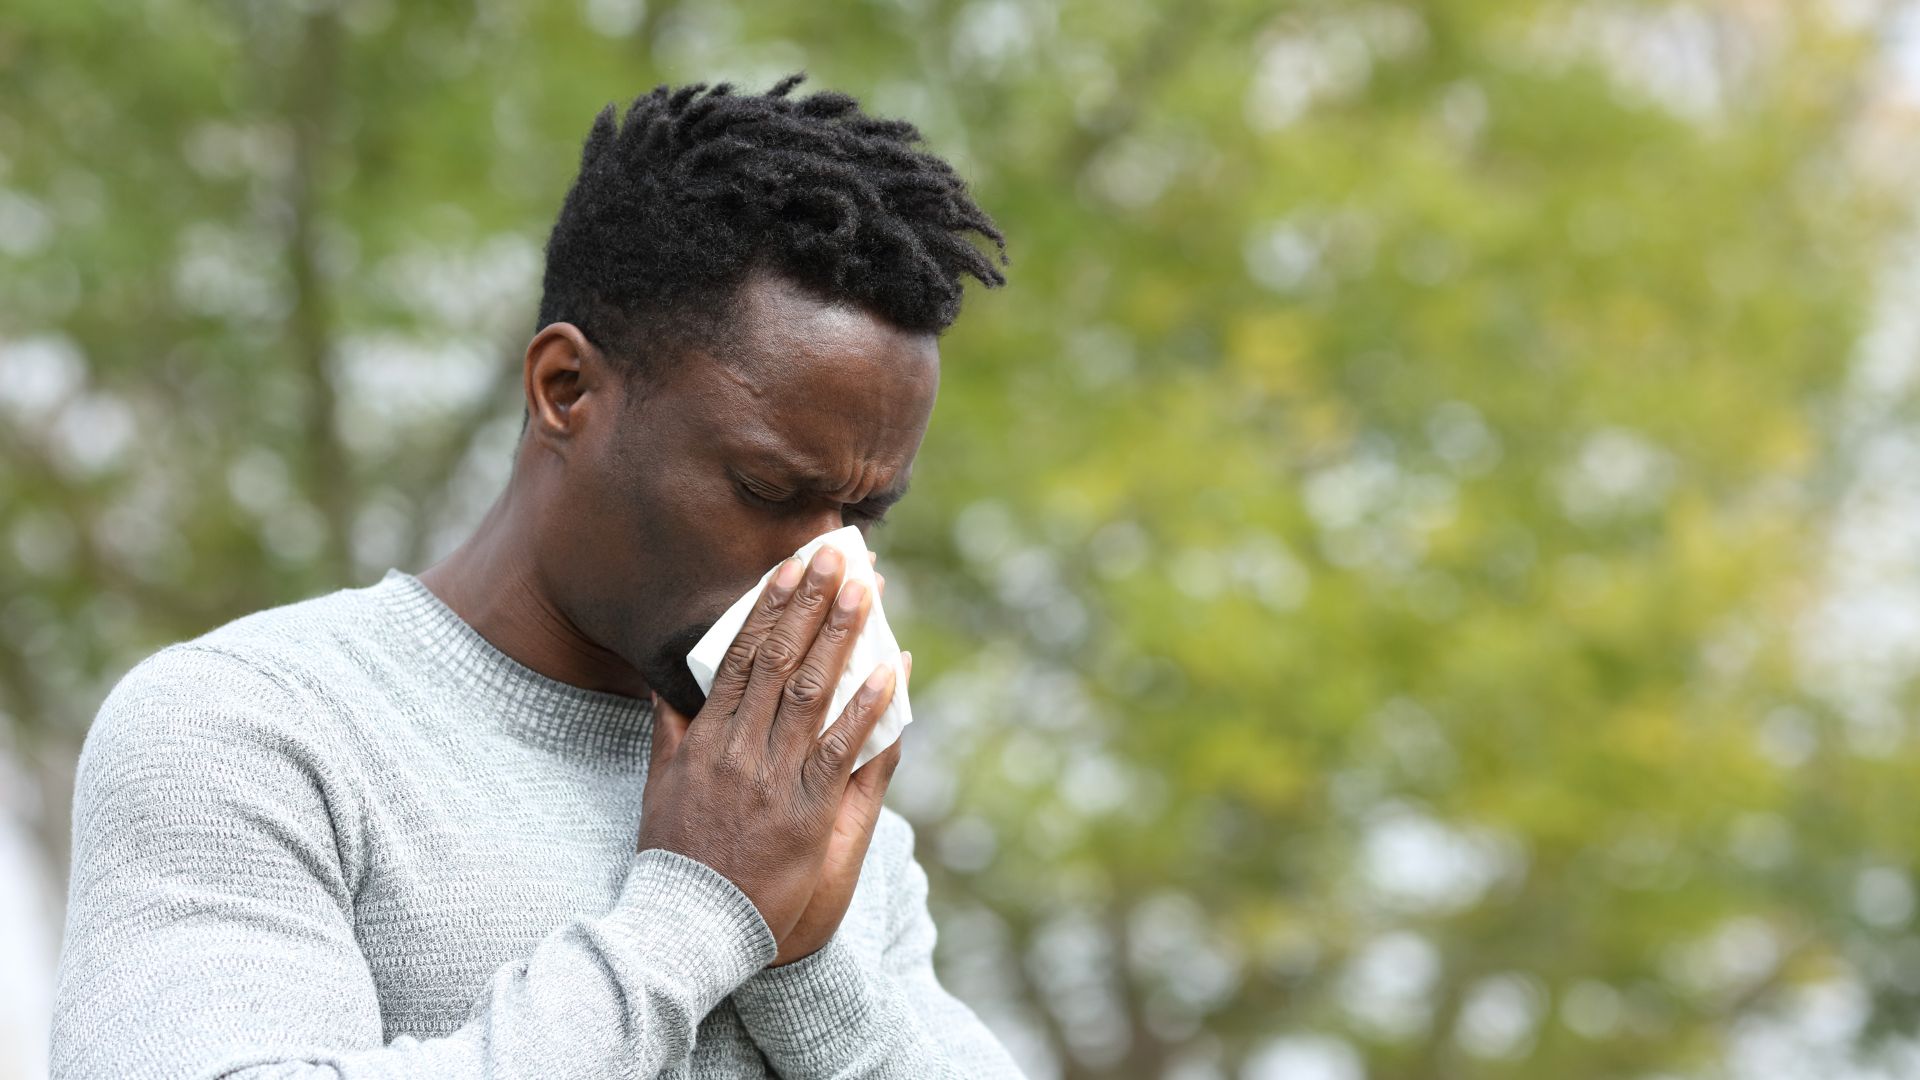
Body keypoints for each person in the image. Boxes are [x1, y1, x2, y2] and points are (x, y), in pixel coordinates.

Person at [50, 74, 1023, 1079]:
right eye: (766, 486)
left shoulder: (808, 808)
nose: (831, 573)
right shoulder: (254, 728)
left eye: (862, 515)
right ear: (565, 390)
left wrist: (807, 964)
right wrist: (693, 916)